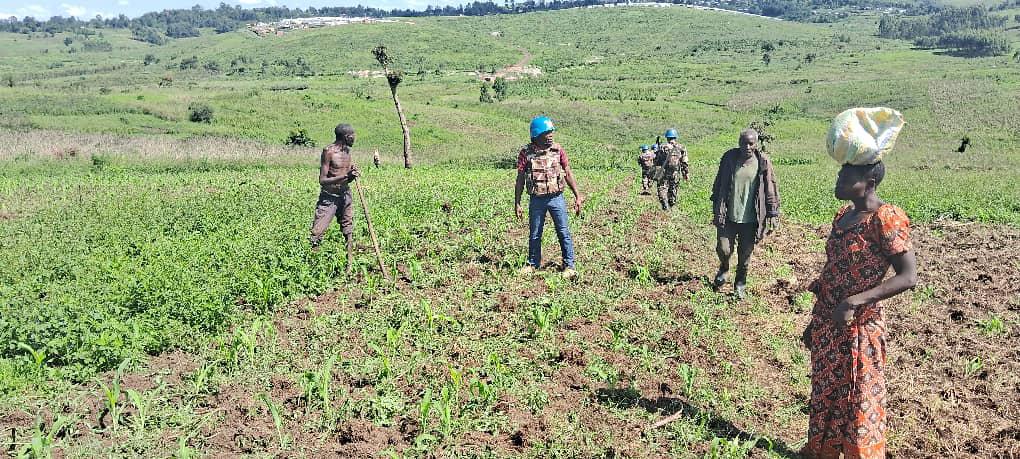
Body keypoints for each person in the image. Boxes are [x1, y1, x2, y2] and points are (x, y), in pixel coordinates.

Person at [801, 160, 918, 458]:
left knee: (859, 395)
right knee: (825, 391)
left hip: (860, 327)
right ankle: (822, 451)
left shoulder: (886, 218)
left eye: (846, 175)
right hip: (829, 323)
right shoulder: (843, 216)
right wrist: (816, 322)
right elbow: (832, 271)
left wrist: (854, 301)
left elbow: (908, 276)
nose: (838, 179)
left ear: (869, 181)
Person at [709, 129, 780, 299]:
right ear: (739, 142)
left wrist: (772, 211)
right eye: (743, 143)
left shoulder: (762, 161)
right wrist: (715, 201)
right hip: (728, 214)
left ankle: (740, 283)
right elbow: (719, 181)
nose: (747, 147)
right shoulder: (729, 158)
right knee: (724, 248)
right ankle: (724, 267)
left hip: (751, 219)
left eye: (751, 143)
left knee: (745, 255)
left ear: (756, 144)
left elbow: (770, 187)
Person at [514, 116, 584, 279]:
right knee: (535, 233)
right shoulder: (526, 153)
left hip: (556, 198)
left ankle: (569, 266)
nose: (551, 135)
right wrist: (517, 203)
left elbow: (567, 172)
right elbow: (520, 179)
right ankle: (533, 264)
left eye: (551, 131)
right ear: (537, 134)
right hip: (536, 200)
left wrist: (578, 196)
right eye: (547, 132)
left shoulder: (558, 150)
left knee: (563, 232)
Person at [310, 123, 361, 272]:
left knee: (348, 228)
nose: (354, 138)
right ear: (346, 137)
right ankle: (313, 265)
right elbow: (322, 180)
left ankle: (349, 263)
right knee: (317, 232)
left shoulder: (347, 152)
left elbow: (345, 178)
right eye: (353, 136)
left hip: (345, 195)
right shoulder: (328, 152)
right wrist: (345, 175)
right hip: (329, 197)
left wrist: (351, 176)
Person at [654, 129, 690, 211]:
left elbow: (656, 160)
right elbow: (684, 162)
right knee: (673, 188)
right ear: (675, 137)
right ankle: (671, 203)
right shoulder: (681, 147)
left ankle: (665, 205)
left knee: (662, 187)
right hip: (675, 173)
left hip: (664, 172)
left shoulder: (662, 147)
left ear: (667, 137)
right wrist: (686, 174)